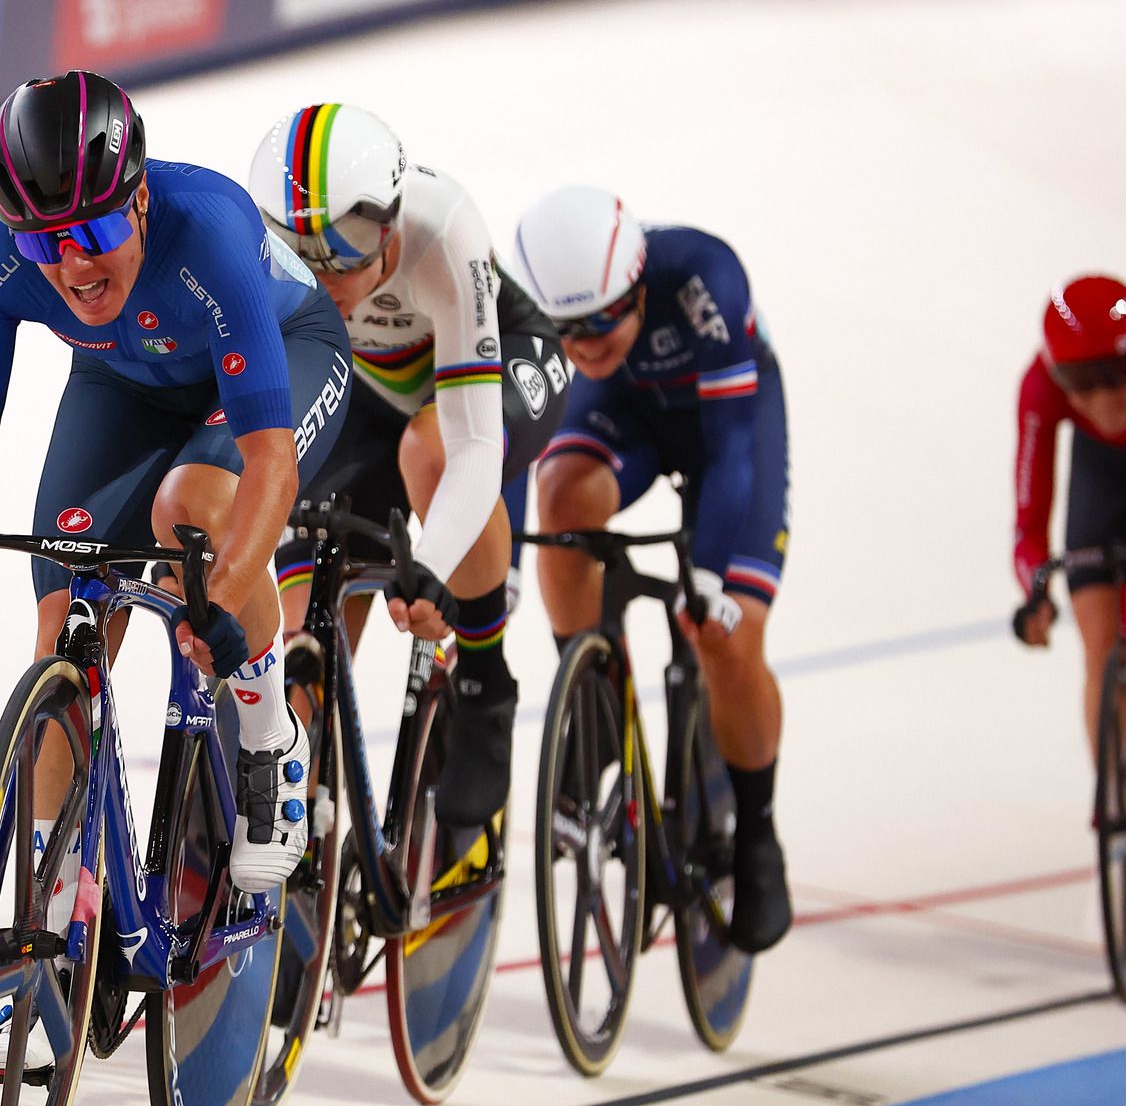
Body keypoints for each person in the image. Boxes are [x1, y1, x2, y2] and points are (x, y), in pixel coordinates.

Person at [0, 71, 354, 1067]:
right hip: (126, 378)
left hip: (282, 356)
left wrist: (224, 597)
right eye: (43, 244)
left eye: (92, 231)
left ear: (137, 200)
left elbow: (268, 465)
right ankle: (48, 920)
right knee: (65, 617)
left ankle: (270, 737)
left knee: (195, 512)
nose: (72, 264)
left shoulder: (208, 229)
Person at [247, 103, 568, 883]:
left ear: (387, 229)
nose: (323, 281)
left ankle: (485, 682)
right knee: (300, 646)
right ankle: (296, 857)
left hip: (493, 374)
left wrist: (429, 565)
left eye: (343, 259)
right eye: (301, 259)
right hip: (369, 393)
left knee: (430, 449)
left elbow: (474, 446)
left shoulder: (442, 227)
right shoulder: (263, 248)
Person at [513, 185, 792, 954]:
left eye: (602, 320)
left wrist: (708, 580)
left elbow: (732, 452)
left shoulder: (705, 276)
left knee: (729, 636)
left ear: (638, 287)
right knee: (561, 500)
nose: (584, 343)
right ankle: (597, 706)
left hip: (729, 428)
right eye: (566, 328)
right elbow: (510, 439)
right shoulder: (553, 320)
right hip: (628, 413)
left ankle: (759, 831)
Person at [1011, 274, 1126, 750]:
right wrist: (1036, 592)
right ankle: (1117, 793)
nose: (1102, 398)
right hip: (1102, 476)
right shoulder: (1039, 387)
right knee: (1100, 645)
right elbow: (1029, 518)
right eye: (1080, 382)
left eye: (1117, 374)